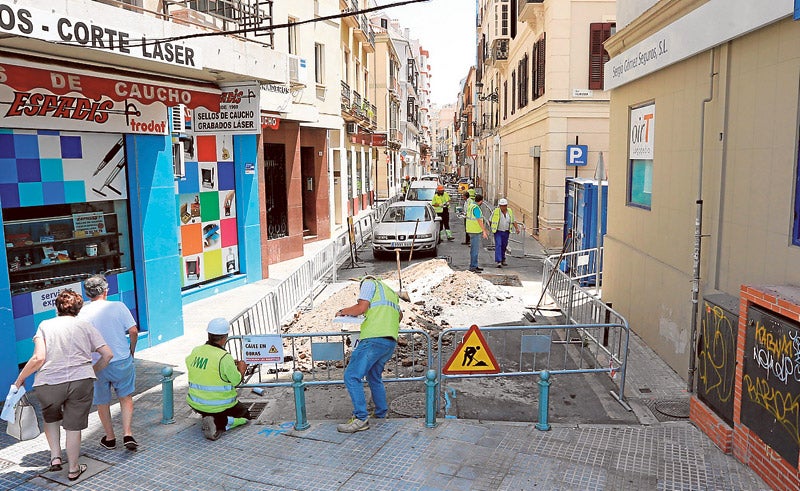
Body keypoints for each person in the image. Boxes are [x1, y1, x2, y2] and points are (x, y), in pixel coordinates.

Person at [12, 289, 113, 481]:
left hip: (49, 383)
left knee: (51, 419)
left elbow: (38, 357)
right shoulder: (85, 326)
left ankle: (55, 458)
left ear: (57, 307)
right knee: (73, 427)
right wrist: (92, 371)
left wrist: (20, 379)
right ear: (78, 308)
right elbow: (107, 354)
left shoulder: (45, 325)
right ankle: (74, 469)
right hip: (81, 382)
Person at [79, 274, 139, 451]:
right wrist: (131, 350)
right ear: (105, 290)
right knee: (126, 397)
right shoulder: (118, 306)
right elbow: (133, 331)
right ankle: (127, 433)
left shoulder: (82, 312)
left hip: (97, 364)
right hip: (121, 359)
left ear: (87, 294)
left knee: (102, 402)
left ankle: (110, 438)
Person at [335, 276, 403, 433]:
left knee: (351, 376)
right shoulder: (390, 292)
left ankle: (360, 419)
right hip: (389, 341)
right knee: (374, 377)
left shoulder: (368, 283)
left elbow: (361, 307)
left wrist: (343, 312)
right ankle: (380, 414)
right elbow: (399, 316)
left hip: (373, 339)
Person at [186, 318, 251, 441]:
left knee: (210, 410)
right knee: (245, 415)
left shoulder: (196, 351)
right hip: (219, 405)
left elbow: (207, 368)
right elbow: (236, 381)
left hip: (195, 403)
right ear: (225, 338)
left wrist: (229, 364)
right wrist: (241, 369)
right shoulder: (224, 357)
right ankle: (220, 423)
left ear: (209, 334)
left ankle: (209, 417)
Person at [490, 198, 521, 268]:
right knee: (498, 245)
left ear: (506, 206)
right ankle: (499, 261)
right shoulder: (496, 211)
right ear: (499, 206)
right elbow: (490, 220)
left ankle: (503, 258)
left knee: (504, 245)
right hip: (498, 231)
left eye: (504, 206)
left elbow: (513, 221)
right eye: (501, 205)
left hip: (506, 232)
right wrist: (492, 227)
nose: (502, 207)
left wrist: (517, 228)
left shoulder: (509, 211)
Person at [466, 193, 489, 272]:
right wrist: (484, 231)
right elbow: (479, 220)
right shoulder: (476, 208)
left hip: (471, 230)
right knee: (475, 250)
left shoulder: (471, 205)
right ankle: (473, 266)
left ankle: (474, 265)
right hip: (474, 231)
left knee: (473, 249)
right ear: (481, 201)